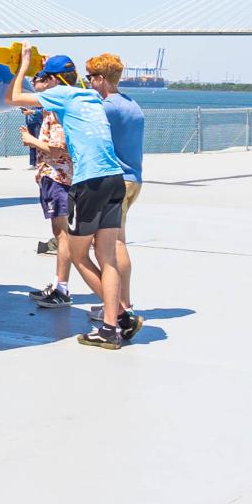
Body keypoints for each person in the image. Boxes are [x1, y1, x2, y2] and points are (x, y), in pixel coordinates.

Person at [6, 50, 133, 349]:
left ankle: (117, 321)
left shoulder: (61, 94)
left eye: (44, 78)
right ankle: (115, 323)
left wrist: (22, 66)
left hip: (89, 182)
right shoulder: (91, 97)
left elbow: (13, 98)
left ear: (52, 79)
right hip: (114, 179)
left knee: (77, 254)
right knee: (107, 257)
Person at [88, 53, 144, 325]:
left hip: (117, 180)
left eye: (90, 78)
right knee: (120, 238)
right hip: (135, 178)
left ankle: (121, 305)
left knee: (113, 245)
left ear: (101, 79)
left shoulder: (107, 107)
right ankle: (122, 301)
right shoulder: (133, 105)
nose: (88, 84)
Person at [19, 58, 75, 303]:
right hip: (53, 176)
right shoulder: (67, 101)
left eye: (43, 77)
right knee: (59, 231)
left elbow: (59, 150)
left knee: (62, 234)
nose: (37, 82)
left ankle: (62, 288)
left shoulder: (61, 106)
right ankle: (58, 284)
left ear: (54, 80)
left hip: (59, 177)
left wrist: (32, 142)